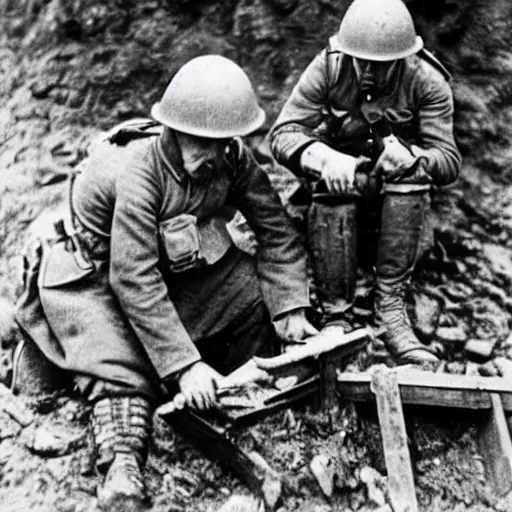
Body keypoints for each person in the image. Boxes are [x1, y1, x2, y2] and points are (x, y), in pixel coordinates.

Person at [15, 55, 317, 511]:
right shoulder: (140, 169)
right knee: (124, 372)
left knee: (255, 299)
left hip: (174, 271)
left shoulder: (231, 160)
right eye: (202, 143)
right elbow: (131, 277)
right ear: (174, 131)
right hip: (97, 280)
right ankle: (121, 465)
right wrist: (184, 365)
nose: (213, 156)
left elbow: (275, 232)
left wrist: (290, 308)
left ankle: (238, 399)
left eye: (223, 142)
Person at [270, 0, 461, 364]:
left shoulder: (427, 80)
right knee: (331, 185)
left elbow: (448, 160)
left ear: (402, 59)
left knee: (412, 177)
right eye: (361, 61)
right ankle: (336, 316)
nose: (368, 73)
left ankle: (390, 311)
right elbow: (282, 134)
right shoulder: (329, 67)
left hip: (400, 208)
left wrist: (414, 157)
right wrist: (323, 157)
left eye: (381, 65)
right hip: (336, 202)